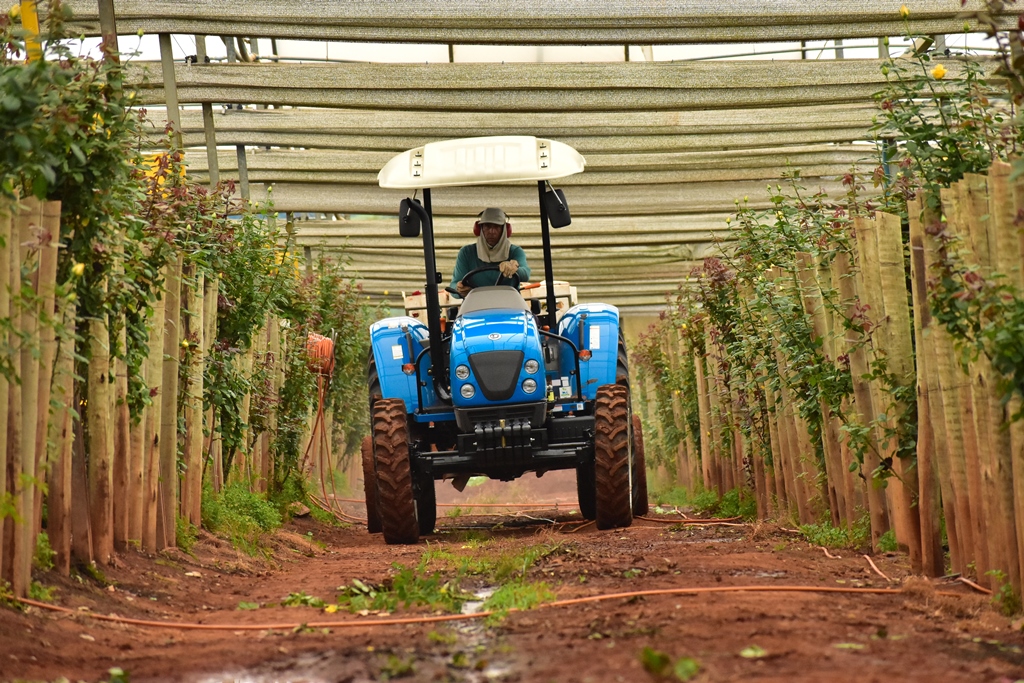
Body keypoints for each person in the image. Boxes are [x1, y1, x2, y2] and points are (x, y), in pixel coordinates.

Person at [450, 207, 531, 297]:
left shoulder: (515, 251)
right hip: (476, 305)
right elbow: (454, 285)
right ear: (480, 229)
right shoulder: (466, 253)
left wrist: (514, 268)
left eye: (496, 227)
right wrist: (459, 289)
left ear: (505, 230)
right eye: (487, 226)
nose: (492, 231)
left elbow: (525, 275)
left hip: (508, 304)